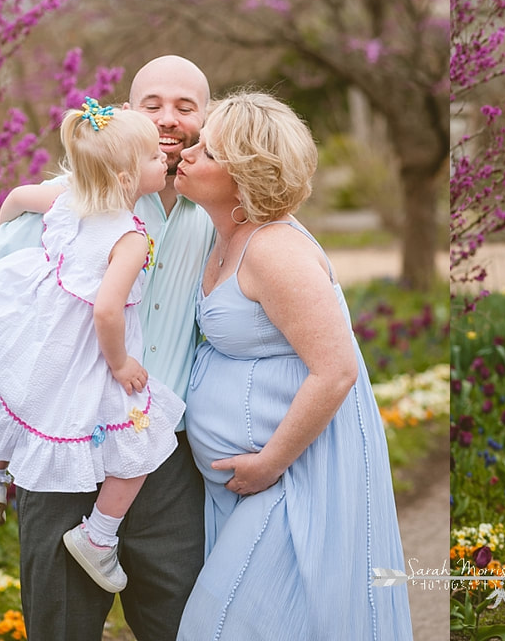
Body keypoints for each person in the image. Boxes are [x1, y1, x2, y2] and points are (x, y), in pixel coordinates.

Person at [0, 55, 215, 641]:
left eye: (185, 106)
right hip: (59, 449)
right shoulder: (79, 197)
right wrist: (37, 363)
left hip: (162, 457)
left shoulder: (217, 209)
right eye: (153, 105)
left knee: (182, 623)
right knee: (61, 625)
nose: (168, 119)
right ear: (128, 112)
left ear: (207, 116)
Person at [171, 91, 412, 640]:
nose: (188, 152)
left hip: (293, 476)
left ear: (243, 176)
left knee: (222, 626)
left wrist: (271, 461)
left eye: (206, 152)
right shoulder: (223, 236)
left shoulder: (274, 248)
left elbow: (337, 370)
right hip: (253, 481)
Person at [0, 101, 185, 595]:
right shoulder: (131, 237)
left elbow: (18, 198)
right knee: (143, 442)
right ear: (129, 175)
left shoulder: (67, 199)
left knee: (20, 396)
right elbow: (107, 311)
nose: (164, 162)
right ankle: (97, 536)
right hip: (91, 354)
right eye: (156, 157)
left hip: (49, 340)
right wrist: (121, 362)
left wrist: (4, 240)